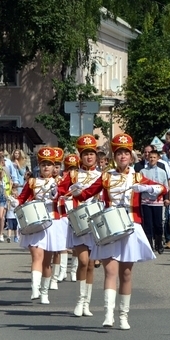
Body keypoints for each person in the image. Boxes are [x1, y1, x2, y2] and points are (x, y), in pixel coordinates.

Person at [74, 133, 161, 329]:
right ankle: (108, 314)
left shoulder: (137, 176)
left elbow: (161, 188)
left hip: (131, 226)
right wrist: (74, 190)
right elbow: (86, 194)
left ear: (131, 156)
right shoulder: (106, 176)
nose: (123, 156)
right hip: (110, 226)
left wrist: (149, 189)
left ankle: (123, 316)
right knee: (110, 271)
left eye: (126, 153)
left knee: (127, 274)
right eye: (119, 153)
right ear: (115, 156)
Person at [56, 135, 105, 316]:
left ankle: (87, 303)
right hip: (78, 220)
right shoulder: (73, 174)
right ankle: (79, 300)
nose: (89, 157)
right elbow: (60, 191)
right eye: (85, 154)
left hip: (95, 221)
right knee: (83, 261)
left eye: (92, 154)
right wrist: (69, 191)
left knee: (91, 265)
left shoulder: (102, 175)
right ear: (80, 156)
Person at [16, 147, 66, 304]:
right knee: (36, 256)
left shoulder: (59, 182)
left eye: (49, 164)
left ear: (53, 166)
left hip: (52, 222)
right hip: (35, 221)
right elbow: (22, 198)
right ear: (39, 165)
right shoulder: (32, 182)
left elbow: (62, 199)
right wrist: (15, 202)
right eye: (43, 164)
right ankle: (35, 288)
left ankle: (44, 291)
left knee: (47, 261)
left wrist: (57, 194)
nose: (46, 167)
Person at [139, 148, 170, 254]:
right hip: (146, 201)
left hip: (157, 201)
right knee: (148, 224)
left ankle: (159, 243)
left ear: (158, 159)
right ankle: (149, 244)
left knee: (158, 223)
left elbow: (165, 186)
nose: (152, 159)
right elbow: (139, 185)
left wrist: (166, 198)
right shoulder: (143, 171)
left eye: (154, 157)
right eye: (150, 157)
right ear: (147, 158)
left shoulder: (162, 172)